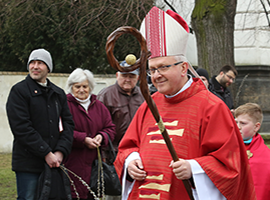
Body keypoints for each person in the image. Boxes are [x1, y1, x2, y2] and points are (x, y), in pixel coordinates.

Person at [114, 6, 256, 200]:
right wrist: (131, 161)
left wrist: (194, 169)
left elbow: (231, 166)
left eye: (163, 67)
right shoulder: (149, 104)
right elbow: (127, 148)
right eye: (152, 70)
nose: (156, 76)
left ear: (183, 68)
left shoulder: (211, 107)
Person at [6, 48, 74, 200]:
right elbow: (21, 128)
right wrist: (46, 153)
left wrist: (60, 152)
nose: (35, 66)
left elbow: (68, 124)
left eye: (40, 63)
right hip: (28, 165)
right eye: (32, 63)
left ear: (48, 68)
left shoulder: (58, 94)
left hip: (54, 163)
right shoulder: (19, 91)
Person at [63, 68, 116, 200]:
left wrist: (101, 136)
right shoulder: (64, 105)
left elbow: (110, 128)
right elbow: (61, 130)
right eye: (77, 86)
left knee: (93, 195)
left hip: (95, 165)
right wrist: (83, 139)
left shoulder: (99, 106)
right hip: (72, 162)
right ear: (71, 87)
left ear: (90, 87)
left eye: (85, 86)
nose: (81, 90)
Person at [97, 61, 144, 200]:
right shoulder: (106, 95)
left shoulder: (143, 95)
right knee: (114, 194)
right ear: (117, 75)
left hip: (139, 154)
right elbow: (100, 127)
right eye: (124, 75)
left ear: (137, 78)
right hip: (113, 154)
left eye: (131, 76)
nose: (127, 79)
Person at [235, 103, 270, 200]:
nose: (237, 127)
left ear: (256, 127)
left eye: (243, 123)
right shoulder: (226, 146)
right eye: (236, 122)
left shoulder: (265, 156)